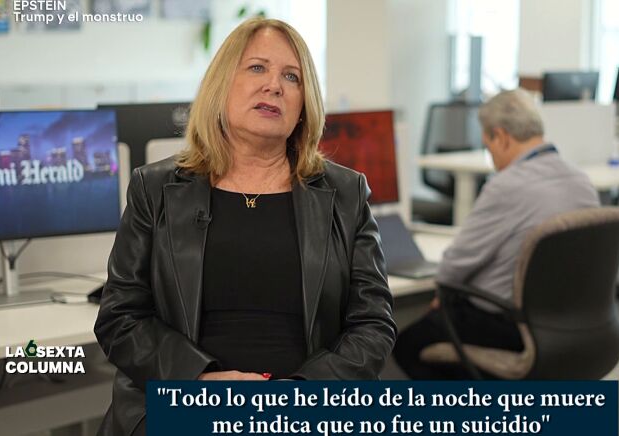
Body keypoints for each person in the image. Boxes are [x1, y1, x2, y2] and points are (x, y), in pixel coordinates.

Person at [94, 18, 396, 435]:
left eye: (292, 77)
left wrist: (305, 393)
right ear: (222, 84)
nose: (274, 86)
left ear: (304, 104)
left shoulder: (346, 193)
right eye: (257, 68)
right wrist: (198, 382)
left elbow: (373, 324)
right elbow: (120, 318)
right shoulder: (156, 189)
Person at [393, 89, 600, 379]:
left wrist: (443, 292)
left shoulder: (507, 185)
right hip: (573, 323)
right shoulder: (582, 182)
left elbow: (458, 262)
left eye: (488, 146)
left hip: (508, 325)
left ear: (501, 137)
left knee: (405, 344)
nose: (491, 158)